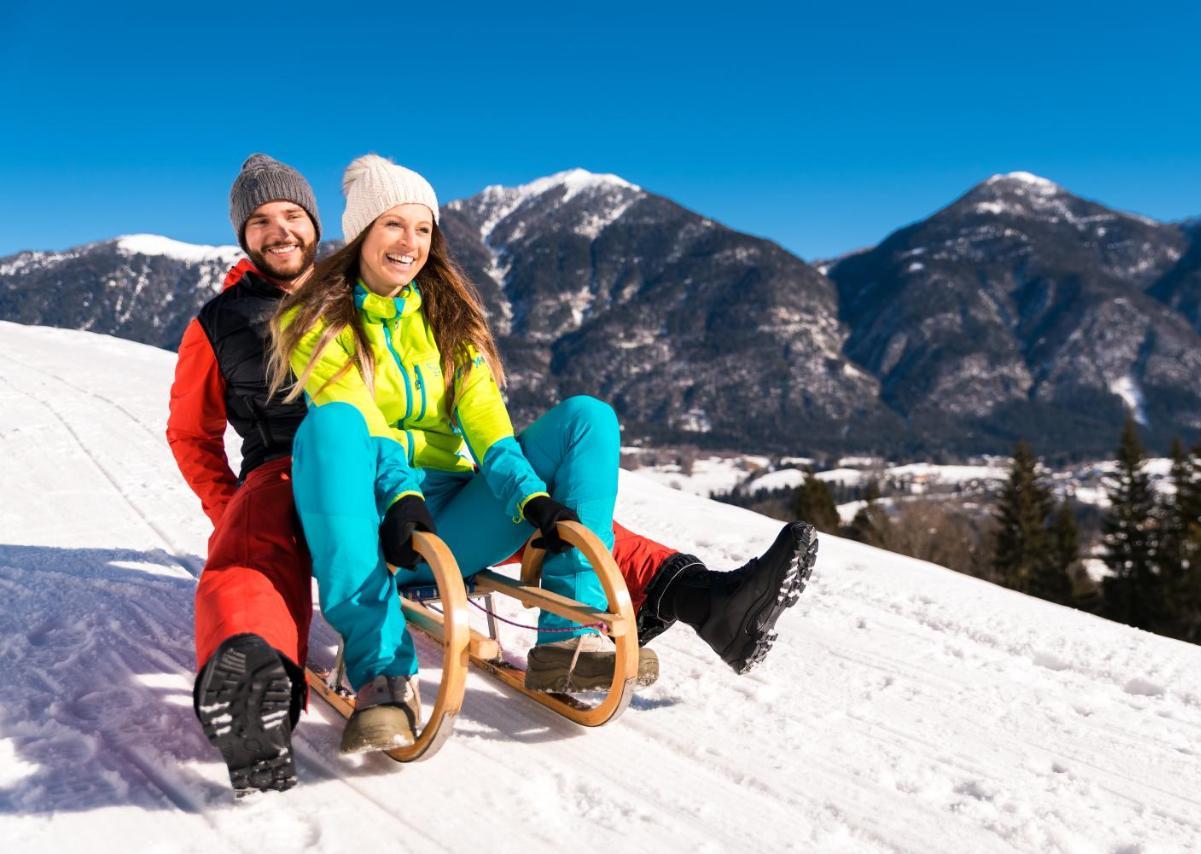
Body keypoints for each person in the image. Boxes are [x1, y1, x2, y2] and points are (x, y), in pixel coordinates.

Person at [168, 154, 816, 789]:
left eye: (422, 227)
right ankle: (359, 671)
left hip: (454, 511)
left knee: (586, 421)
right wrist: (394, 501)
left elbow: (490, 430)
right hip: (364, 506)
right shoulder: (299, 320)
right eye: (393, 224)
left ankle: (579, 628)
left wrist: (532, 500)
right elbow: (351, 425)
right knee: (315, 454)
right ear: (360, 232)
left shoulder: (447, 317)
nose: (410, 241)